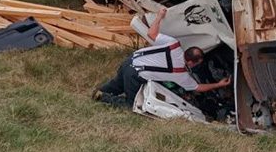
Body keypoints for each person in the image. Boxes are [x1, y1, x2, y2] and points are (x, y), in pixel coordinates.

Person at [93, 7, 230, 108]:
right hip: (135, 74)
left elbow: (151, 33)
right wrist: (218, 84)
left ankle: (100, 92)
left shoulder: (173, 44)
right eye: (196, 63)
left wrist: (159, 16)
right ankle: (104, 98)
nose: (195, 66)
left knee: (118, 84)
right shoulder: (180, 74)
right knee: (132, 105)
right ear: (189, 62)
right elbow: (197, 87)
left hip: (130, 60)